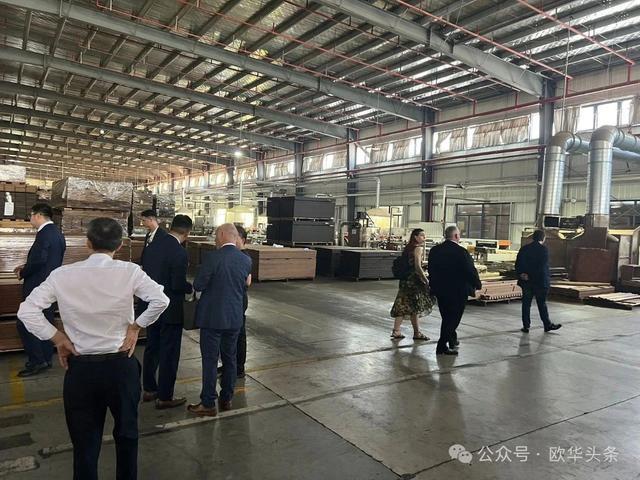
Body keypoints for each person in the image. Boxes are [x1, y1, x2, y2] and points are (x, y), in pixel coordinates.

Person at [17, 217, 169, 480]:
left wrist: (58, 339)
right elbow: (160, 300)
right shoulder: (130, 272)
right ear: (119, 246)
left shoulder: (62, 275)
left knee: (85, 444)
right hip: (121, 366)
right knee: (127, 435)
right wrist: (136, 327)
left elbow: (27, 311)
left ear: (87, 243)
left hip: (81, 370)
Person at [188, 223, 252, 417]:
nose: (215, 239)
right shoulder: (246, 260)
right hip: (234, 317)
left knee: (210, 360)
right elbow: (243, 285)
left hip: (212, 318)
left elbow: (199, 284)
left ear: (223, 234)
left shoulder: (212, 258)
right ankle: (227, 398)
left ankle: (208, 402)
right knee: (230, 358)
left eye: (216, 235)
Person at [140, 214, 194, 409]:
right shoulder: (179, 252)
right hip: (170, 309)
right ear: (187, 233)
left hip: (150, 306)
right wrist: (191, 288)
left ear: (171, 227)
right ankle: (165, 396)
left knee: (152, 347)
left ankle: (149, 389)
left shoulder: (151, 246)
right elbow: (177, 284)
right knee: (169, 353)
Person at [14, 203, 66, 377]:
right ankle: (46, 358)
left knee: (26, 321)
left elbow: (39, 260)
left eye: (31, 215)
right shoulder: (58, 234)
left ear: (37, 215)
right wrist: (27, 265)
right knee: (46, 320)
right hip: (51, 284)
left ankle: (37, 361)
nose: (30, 219)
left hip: (37, 285)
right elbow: (49, 260)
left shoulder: (44, 234)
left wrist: (23, 272)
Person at [428, 225, 482, 355]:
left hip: (440, 289)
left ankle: (452, 340)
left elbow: (431, 269)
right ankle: (441, 346)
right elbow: (470, 270)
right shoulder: (461, 252)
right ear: (456, 236)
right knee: (453, 319)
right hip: (457, 291)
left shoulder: (435, 250)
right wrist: (478, 284)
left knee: (446, 316)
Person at [217, 225, 250, 378]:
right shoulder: (234, 255)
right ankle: (228, 365)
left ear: (241, 239)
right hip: (231, 298)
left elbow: (247, 281)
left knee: (238, 334)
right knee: (228, 335)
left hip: (239, 299)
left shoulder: (244, 256)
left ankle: (238, 367)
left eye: (235, 237)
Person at [390, 228, 434, 340]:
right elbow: (417, 266)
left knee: (404, 304)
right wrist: (426, 280)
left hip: (405, 279)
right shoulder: (418, 248)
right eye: (422, 236)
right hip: (414, 281)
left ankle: (397, 330)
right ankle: (416, 333)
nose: (424, 238)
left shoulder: (408, 248)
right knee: (415, 306)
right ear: (416, 237)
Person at [516, 229, 562, 333]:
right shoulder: (543, 250)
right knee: (542, 304)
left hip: (526, 282)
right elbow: (541, 266)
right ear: (543, 238)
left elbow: (518, 263)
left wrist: (522, 274)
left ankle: (526, 326)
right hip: (540, 282)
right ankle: (547, 325)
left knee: (526, 304)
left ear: (533, 237)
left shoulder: (524, 249)